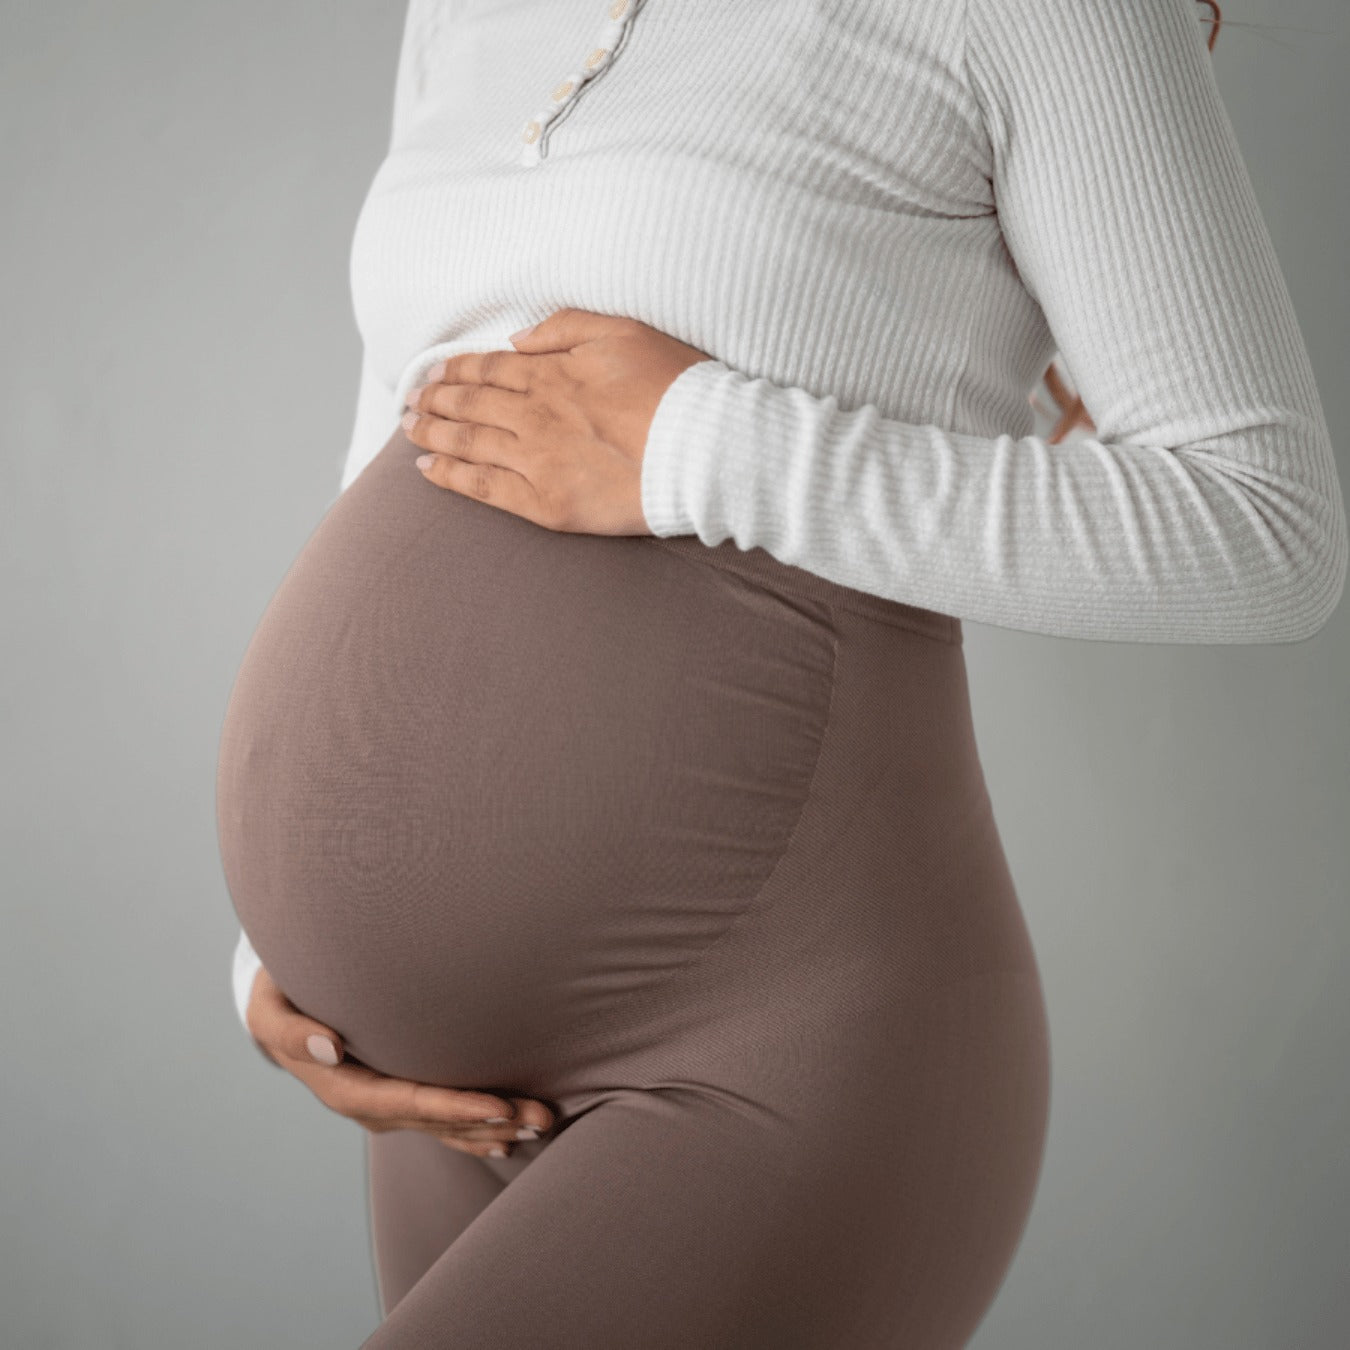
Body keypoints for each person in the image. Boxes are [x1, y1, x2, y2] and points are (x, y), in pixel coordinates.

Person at [215, 1, 1347, 1346]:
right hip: (440, 1084)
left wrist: (701, 440)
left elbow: (1264, 532)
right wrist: (283, 946)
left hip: (767, 1043)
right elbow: (410, 432)